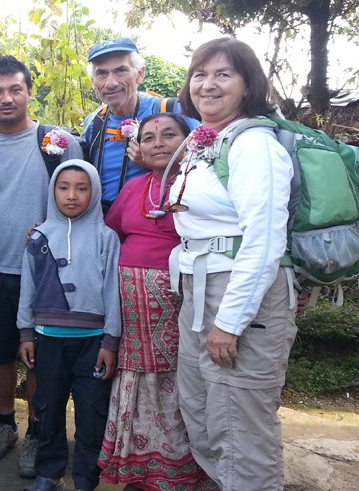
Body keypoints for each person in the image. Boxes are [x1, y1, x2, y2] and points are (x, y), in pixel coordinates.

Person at [171, 37, 296, 490]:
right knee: (202, 413)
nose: (208, 85)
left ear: (247, 85)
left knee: (242, 428)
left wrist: (231, 322)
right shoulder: (207, 142)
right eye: (200, 74)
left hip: (240, 298)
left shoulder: (254, 146)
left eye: (223, 74)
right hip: (199, 291)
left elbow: (263, 243)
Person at [0, 55, 83, 479]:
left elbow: (81, 202)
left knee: (42, 360)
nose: (6, 98)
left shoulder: (60, 144)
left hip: (48, 277)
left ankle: (39, 432)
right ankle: (6, 425)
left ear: (29, 91)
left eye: (15, 89)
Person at [97, 113, 215, 490]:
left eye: (170, 135)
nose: (159, 143)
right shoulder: (133, 190)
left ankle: (184, 471)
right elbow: (107, 236)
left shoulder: (200, 188)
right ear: (139, 149)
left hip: (181, 311)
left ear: (188, 141)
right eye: (149, 137)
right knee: (137, 385)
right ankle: (141, 468)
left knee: (180, 387)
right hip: (133, 319)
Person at [17, 160, 121, 491]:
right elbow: (28, 288)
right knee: (47, 408)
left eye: (82, 187)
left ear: (94, 191)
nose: (72, 195)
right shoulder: (40, 236)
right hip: (48, 340)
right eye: (64, 188)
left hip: (93, 343)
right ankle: (49, 472)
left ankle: (87, 478)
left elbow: (113, 293)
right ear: (53, 191)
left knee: (92, 414)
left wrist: (110, 342)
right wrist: (25, 333)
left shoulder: (107, 238)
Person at [81, 38, 198, 212]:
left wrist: (154, 162)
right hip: (103, 223)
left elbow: (204, 163)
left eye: (120, 71)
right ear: (93, 81)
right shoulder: (93, 122)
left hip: (156, 221)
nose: (111, 83)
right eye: (102, 73)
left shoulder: (171, 111)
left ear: (139, 74)